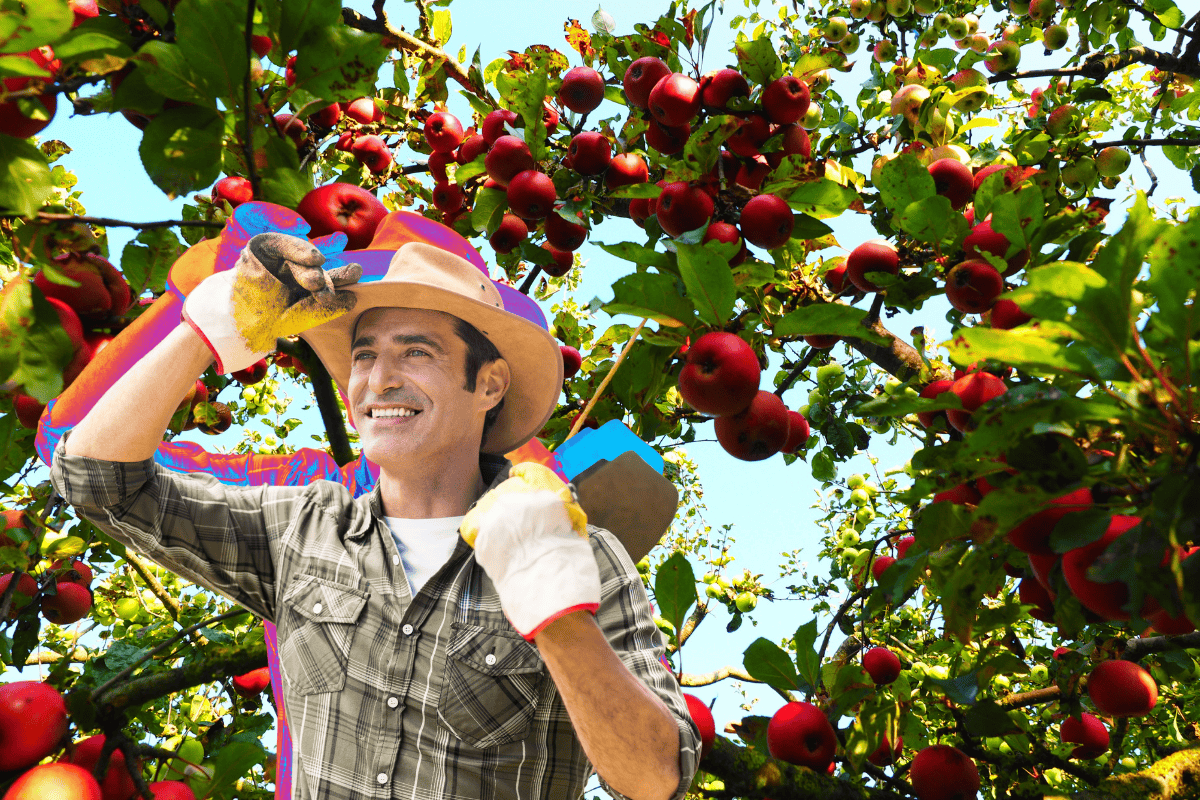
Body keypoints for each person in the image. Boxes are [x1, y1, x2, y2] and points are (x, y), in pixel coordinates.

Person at [48, 203, 701, 800]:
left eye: (417, 351)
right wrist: (203, 323)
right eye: (364, 354)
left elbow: (656, 779)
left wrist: (562, 622)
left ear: (490, 383)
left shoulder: (579, 557)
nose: (379, 378)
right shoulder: (303, 526)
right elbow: (97, 479)